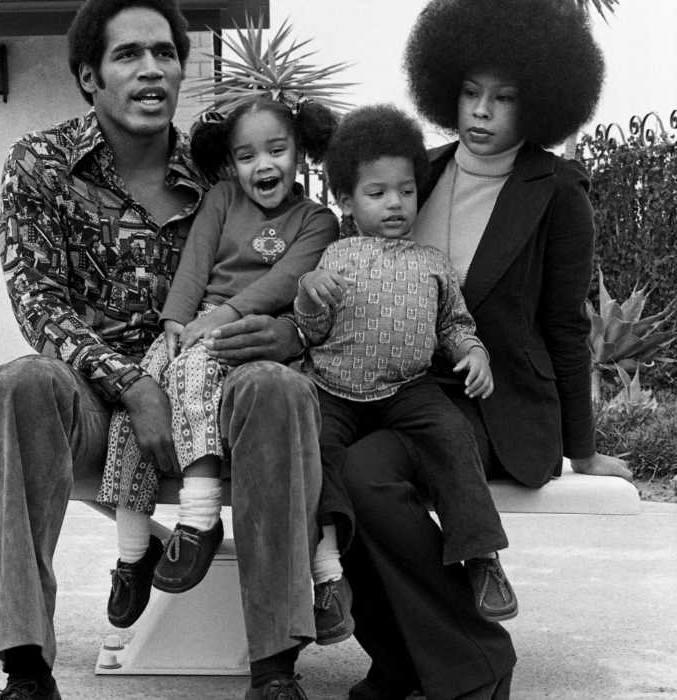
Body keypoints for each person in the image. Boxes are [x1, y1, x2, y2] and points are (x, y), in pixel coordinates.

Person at [0, 1, 327, 698]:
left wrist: (292, 333)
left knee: (280, 389)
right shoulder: (42, 165)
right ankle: (25, 671)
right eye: (128, 54)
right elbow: (38, 305)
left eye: (165, 53)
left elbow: (301, 266)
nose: (151, 70)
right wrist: (136, 388)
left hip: (216, 391)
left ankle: (276, 671)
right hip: (95, 403)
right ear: (88, 76)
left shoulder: (222, 169)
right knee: (17, 385)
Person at [97, 96, 339, 626]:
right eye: (247, 156)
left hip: (254, 335)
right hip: (193, 323)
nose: (264, 166)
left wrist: (221, 317)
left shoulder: (317, 220)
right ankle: (133, 556)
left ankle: (200, 517)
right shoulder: (223, 199)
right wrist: (175, 323)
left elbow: (287, 280)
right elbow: (195, 262)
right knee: (133, 408)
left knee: (194, 369)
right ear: (231, 163)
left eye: (277, 150)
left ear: (300, 153)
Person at [294, 104, 518, 635]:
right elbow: (311, 330)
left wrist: (475, 352)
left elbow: (454, 325)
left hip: (407, 389)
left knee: (451, 431)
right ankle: (327, 576)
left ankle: (481, 556)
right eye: (377, 193)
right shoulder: (335, 256)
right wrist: (307, 295)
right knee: (312, 450)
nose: (395, 203)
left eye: (406, 190)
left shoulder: (433, 263)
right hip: (333, 389)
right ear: (347, 200)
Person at [405, 0, 633, 487]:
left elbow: (565, 327)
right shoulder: (415, 175)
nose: (481, 110)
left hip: (497, 412)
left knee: (393, 465)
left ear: (536, 102)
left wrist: (583, 451)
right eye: (470, 92)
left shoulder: (557, 191)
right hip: (405, 395)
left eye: (503, 98)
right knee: (360, 468)